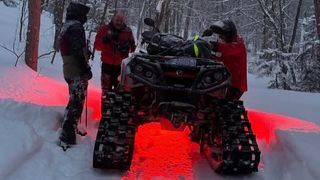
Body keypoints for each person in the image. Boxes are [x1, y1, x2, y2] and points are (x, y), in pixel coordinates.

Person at [58, 2, 92, 147]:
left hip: (68, 68)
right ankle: (67, 134)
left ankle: (69, 128)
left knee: (74, 99)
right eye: (84, 15)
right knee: (77, 102)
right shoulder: (76, 27)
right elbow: (77, 51)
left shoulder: (67, 25)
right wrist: (85, 69)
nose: (85, 18)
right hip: (76, 69)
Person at [94, 12, 136, 107]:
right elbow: (96, 45)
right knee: (106, 92)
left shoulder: (128, 31)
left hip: (121, 67)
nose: (119, 22)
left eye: (121, 20)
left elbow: (133, 48)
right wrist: (106, 42)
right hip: (107, 65)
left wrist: (127, 47)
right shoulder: (105, 29)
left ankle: (116, 116)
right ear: (113, 19)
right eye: (117, 20)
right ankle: (105, 114)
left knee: (120, 93)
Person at [210, 19, 247, 100]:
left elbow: (229, 49)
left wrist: (215, 46)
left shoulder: (238, 45)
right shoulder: (226, 45)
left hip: (235, 85)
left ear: (229, 35)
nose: (220, 38)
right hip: (224, 81)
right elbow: (218, 58)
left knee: (225, 106)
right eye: (219, 36)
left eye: (222, 36)